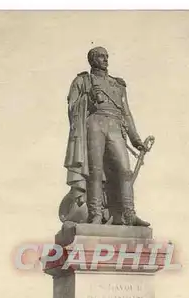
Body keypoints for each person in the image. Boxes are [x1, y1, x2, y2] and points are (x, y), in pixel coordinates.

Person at [63, 46, 150, 226]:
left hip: (115, 126)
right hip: (94, 125)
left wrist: (136, 140)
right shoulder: (83, 81)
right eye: (101, 57)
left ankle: (129, 214)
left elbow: (126, 113)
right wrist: (87, 98)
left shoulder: (117, 85)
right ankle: (95, 214)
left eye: (106, 56)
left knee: (125, 171)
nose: (105, 59)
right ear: (92, 60)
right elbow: (72, 106)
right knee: (95, 172)